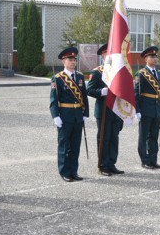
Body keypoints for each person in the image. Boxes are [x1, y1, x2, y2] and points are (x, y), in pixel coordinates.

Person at [50, 46, 89, 182]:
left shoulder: (79, 76)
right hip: (65, 115)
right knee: (64, 145)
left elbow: (84, 96)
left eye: (74, 59)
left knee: (75, 145)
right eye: (69, 59)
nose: (73, 62)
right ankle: (64, 171)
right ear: (63, 62)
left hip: (78, 114)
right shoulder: (58, 78)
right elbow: (54, 100)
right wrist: (56, 116)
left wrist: (85, 113)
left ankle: (73, 171)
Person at [86, 44, 123, 177]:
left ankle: (111, 164)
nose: (108, 57)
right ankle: (103, 165)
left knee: (114, 138)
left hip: (116, 110)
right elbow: (89, 90)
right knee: (104, 138)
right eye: (106, 55)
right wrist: (101, 92)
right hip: (103, 110)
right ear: (102, 56)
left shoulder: (118, 72)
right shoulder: (97, 72)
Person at [135, 46, 160, 169]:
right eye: (152, 57)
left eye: (155, 57)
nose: (154, 59)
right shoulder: (141, 74)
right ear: (146, 59)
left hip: (156, 109)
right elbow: (136, 93)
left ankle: (153, 159)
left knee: (154, 135)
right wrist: (137, 110)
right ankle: (145, 160)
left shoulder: (159, 74)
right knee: (144, 136)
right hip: (146, 109)